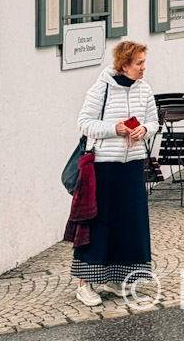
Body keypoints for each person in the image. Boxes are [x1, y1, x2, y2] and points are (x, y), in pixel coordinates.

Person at [71, 40, 159, 306]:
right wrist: (115, 129)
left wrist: (144, 129)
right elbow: (85, 123)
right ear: (124, 65)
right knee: (99, 224)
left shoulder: (145, 90)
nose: (144, 68)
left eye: (144, 62)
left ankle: (119, 277)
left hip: (132, 164)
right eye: (139, 63)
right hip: (103, 166)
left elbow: (154, 121)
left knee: (130, 223)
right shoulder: (101, 89)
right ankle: (84, 284)